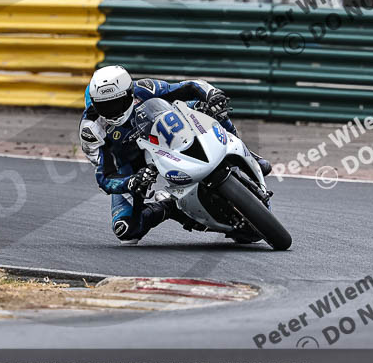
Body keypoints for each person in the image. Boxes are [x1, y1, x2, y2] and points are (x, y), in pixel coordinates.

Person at [79, 65, 272, 245]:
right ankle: (170, 207)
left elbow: (189, 86)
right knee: (126, 230)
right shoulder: (91, 130)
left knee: (211, 108)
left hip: (166, 130)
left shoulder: (144, 88)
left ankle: (247, 154)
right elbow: (104, 176)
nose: (112, 111)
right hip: (130, 163)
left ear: (129, 93)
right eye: (105, 106)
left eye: (117, 103)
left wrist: (212, 94)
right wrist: (130, 181)